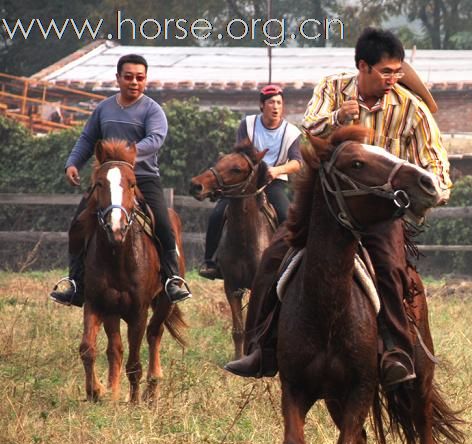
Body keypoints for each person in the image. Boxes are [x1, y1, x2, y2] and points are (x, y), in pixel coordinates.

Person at [224, 27, 451, 384]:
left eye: (398, 71)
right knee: (273, 257)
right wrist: (337, 120)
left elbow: (436, 163)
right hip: (326, 204)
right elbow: (308, 132)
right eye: (386, 72)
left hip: (379, 211)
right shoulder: (332, 88)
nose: (395, 79)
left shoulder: (413, 110)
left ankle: (395, 350)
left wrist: (433, 191)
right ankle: (261, 348)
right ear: (363, 66)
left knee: (391, 269)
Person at [51, 53, 191, 306]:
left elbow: (155, 140)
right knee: (79, 224)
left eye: (140, 78)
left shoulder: (153, 110)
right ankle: (76, 283)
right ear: (118, 78)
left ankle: (171, 280)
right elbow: (86, 139)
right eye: (128, 77)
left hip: (142, 178)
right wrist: (72, 163)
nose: (134, 82)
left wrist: (128, 155)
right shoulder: (104, 108)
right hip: (107, 181)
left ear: (146, 80)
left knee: (164, 224)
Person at [198, 84, 302, 280]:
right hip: (245, 182)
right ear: (262, 105)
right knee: (218, 214)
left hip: (273, 181)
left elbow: (297, 162)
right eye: (271, 102)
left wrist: (276, 170)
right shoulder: (248, 124)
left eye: (279, 103)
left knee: (287, 217)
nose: (276, 107)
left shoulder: (292, 132)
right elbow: (239, 153)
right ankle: (210, 262)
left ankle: (291, 263)